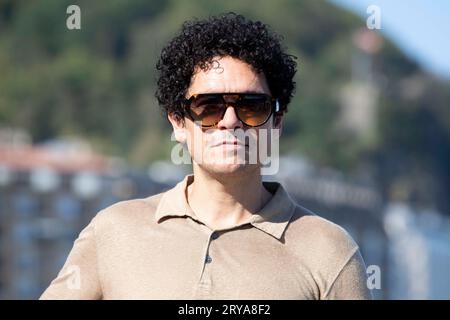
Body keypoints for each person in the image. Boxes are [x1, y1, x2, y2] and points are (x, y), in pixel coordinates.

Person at [40, 13, 372, 300]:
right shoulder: (113, 231)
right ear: (178, 121)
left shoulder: (329, 250)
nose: (230, 121)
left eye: (251, 107)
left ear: (277, 123)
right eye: (209, 107)